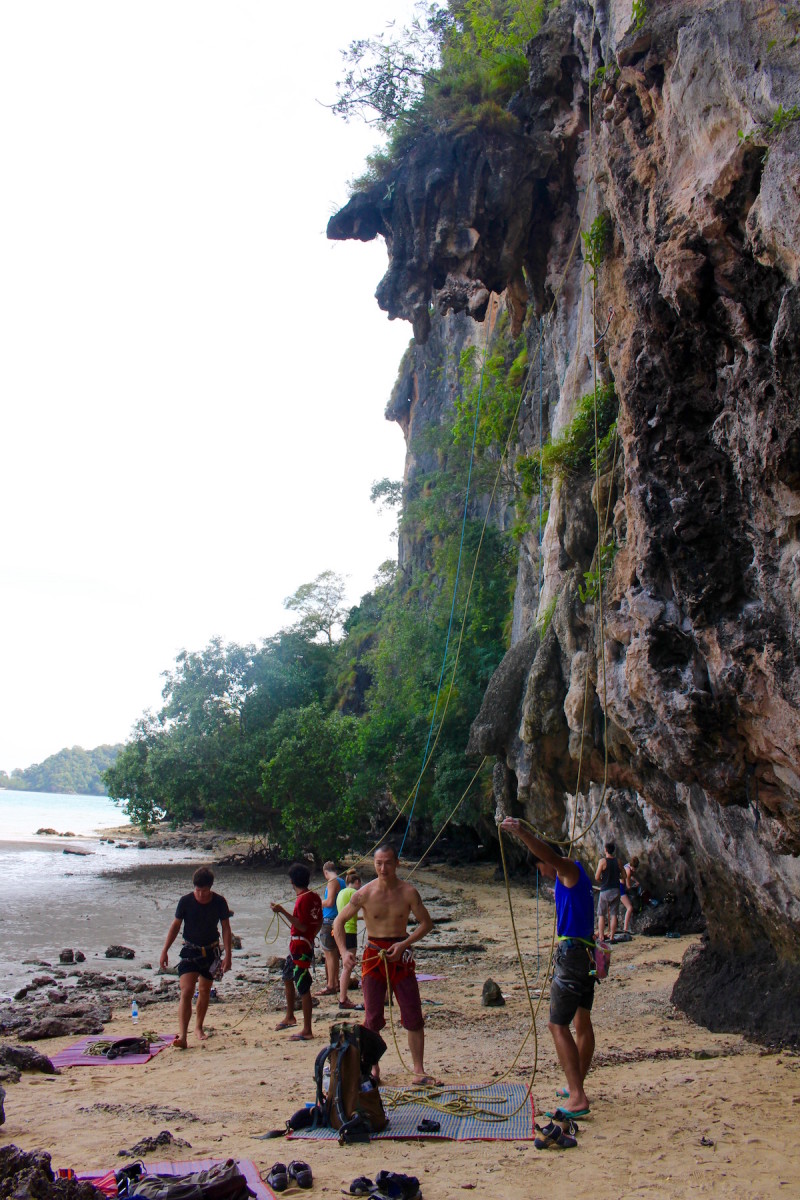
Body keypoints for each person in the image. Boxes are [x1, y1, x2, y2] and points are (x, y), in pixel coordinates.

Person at [501, 818, 595, 1117]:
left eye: (539, 867)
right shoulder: (570, 876)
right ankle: (576, 1084)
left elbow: (550, 857)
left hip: (574, 955)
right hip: (588, 953)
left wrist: (521, 832)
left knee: (557, 1025)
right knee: (582, 1021)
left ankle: (577, 1096)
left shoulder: (568, 871)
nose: (541, 872)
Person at [333, 843, 436, 1085]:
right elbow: (338, 921)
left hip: (401, 953)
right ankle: (373, 1069)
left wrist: (404, 944)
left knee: (412, 1012)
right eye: (378, 863)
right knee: (372, 1016)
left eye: (388, 862)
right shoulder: (364, 893)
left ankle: (418, 1070)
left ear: (397, 863)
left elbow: (426, 923)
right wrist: (343, 952)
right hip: (373, 956)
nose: (383, 868)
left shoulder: (408, 892)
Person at [160, 866, 232, 1049]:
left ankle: (199, 1027)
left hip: (211, 951)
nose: (200, 894)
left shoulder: (219, 902)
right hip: (190, 950)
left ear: (210, 888)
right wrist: (165, 950)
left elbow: (225, 928)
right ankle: (183, 1036)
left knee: (205, 990)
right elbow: (175, 926)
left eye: (204, 890)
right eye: (197, 890)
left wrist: (228, 955)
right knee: (186, 991)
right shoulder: (185, 901)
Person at [271, 862, 324, 1041]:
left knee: (303, 986)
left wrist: (282, 911)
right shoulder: (315, 896)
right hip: (301, 945)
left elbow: (301, 925)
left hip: (300, 947)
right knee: (287, 976)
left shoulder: (302, 899)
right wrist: (311, 937)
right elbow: (319, 921)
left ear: (292, 881)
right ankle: (290, 1016)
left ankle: (307, 1029)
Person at [316, 860, 345, 997]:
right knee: (334, 954)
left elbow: (329, 902)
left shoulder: (332, 881)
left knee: (330, 954)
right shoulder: (342, 881)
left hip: (329, 921)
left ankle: (331, 985)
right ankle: (336, 983)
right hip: (338, 920)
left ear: (325, 872)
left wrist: (316, 903)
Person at [336, 869, 363, 1010]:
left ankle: (342, 997)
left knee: (345, 965)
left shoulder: (341, 892)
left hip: (340, 931)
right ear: (357, 882)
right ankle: (343, 999)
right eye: (360, 883)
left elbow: (345, 914)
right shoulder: (354, 893)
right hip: (349, 932)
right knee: (348, 966)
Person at [595, 840, 622, 942]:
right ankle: (611, 936)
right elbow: (624, 875)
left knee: (601, 914)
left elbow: (597, 877)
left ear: (605, 850)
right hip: (616, 889)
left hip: (605, 890)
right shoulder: (618, 861)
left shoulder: (602, 862)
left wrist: (603, 881)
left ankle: (601, 936)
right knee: (614, 914)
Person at [620, 854, 640, 933]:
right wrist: (634, 886)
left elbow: (630, 877)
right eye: (634, 868)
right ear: (632, 866)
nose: (634, 870)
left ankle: (626, 927)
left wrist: (635, 881)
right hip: (620, 888)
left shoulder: (627, 866)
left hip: (621, 886)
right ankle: (625, 928)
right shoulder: (628, 871)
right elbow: (628, 886)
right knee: (630, 908)